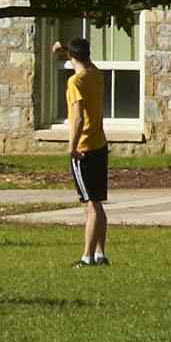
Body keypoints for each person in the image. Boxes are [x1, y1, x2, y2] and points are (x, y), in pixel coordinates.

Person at [59, 43, 113, 267]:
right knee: (97, 202)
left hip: (84, 149)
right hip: (100, 145)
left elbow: (78, 118)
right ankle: (100, 254)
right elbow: (83, 61)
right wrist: (66, 48)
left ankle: (87, 257)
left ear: (71, 57)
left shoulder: (75, 82)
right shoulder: (96, 75)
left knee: (90, 205)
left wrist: (72, 147)